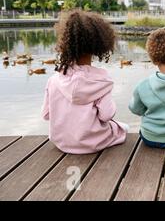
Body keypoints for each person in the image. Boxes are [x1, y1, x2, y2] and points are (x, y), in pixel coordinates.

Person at [41, 10, 128, 154]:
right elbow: (106, 115)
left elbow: (46, 115)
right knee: (122, 128)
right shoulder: (101, 80)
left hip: (62, 143)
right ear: (100, 44)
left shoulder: (54, 80)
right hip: (94, 143)